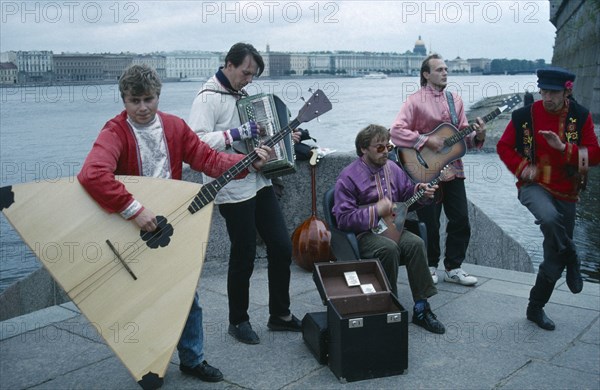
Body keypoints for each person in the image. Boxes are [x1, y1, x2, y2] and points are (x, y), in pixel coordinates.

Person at [77, 64, 271, 383]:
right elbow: (92, 174)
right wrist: (133, 209)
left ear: (158, 96)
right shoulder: (114, 131)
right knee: (143, 303)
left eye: (149, 99)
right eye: (134, 100)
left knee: (186, 297)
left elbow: (208, 159)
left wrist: (247, 163)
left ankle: (192, 359)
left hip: (168, 226)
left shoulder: (174, 127)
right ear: (123, 99)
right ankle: (148, 364)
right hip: (130, 228)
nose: (142, 107)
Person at [188, 42, 302, 345]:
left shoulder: (245, 94)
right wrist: (234, 134)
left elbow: (259, 133)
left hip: (259, 180)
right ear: (229, 64)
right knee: (244, 255)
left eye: (253, 75)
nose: (249, 79)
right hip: (231, 186)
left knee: (281, 247)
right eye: (245, 72)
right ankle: (237, 320)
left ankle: (281, 314)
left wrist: (285, 137)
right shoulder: (206, 98)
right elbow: (195, 145)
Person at [497, 67, 599, 330]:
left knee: (553, 260)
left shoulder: (581, 116)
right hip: (533, 185)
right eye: (543, 91)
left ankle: (535, 307)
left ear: (567, 91)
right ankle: (573, 253)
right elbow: (503, 146)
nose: (547, 97)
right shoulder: (524, 116)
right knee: (549, 217)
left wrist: (564, 148)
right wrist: (523, 168)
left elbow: (594, 155)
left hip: (567, 191)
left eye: (553, 92)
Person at [333, 124, 445, 334]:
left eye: (389, 147)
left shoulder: (392, 168)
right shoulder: (348, 177)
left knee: (415, 243)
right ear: (364, 149)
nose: (386, 152)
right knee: (388, 249)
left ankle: (422, 308)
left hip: (391, 228)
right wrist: (375, 210)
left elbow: (405, 196)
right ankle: (387, 306)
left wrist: (420, 192)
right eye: (380, 148)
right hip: (364, 234)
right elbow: (342, 219)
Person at [390, 53, 486, 286]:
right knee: (430, 221)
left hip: (454, 169)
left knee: (461, 218)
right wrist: (425, 141)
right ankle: (430, 265)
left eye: (446, 69)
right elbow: (395, 131)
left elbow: (463, 136)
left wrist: (479, 135)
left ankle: (454, 267)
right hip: (424, 170)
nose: (445, 72)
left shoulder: (456, 100)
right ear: (426, 74)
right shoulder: (414, 101)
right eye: (439, 69)